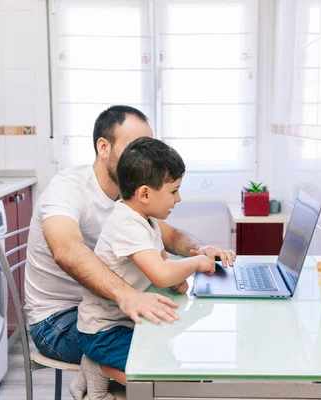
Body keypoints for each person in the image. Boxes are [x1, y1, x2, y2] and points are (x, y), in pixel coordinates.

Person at [24, 106, 236, 370]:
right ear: (104, 147)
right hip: (59, 319)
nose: (144, 157)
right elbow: (67, 250)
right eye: (135, 147)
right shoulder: (67, 189)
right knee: (156, 359)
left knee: (169, 343)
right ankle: (99, 379)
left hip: (106, 310)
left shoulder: (132, 195)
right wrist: (126, 295)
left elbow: (170, 235)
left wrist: (201, 249)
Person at [71, 137, 232, 400]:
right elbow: (160, 273)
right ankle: (98, 366)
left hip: (128, 324)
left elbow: (160, 265)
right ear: (145, 193)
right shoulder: (127, 225)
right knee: (160, 379)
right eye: (173, 191)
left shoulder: (145, 219)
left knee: (171, 367)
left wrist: (173, 278)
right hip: (104, 331)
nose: (178, 198)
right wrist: (195, 263)